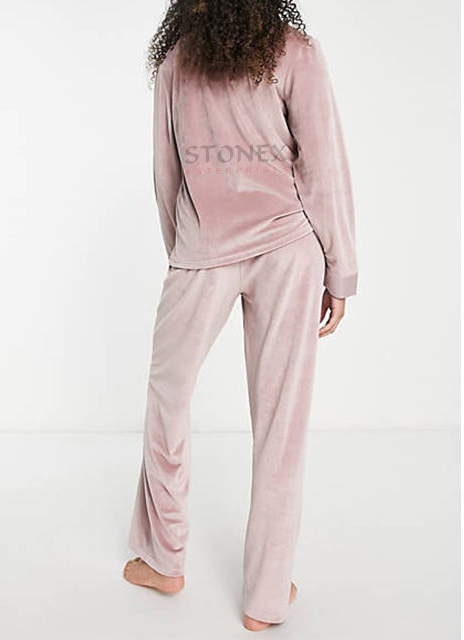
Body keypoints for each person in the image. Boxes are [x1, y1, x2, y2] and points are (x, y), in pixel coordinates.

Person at [123, 0, 357, 632]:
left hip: (212, 249)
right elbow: (323, 167)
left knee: (167, 397)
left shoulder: (177, 61)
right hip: (290, 249)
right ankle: (266, 597)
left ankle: (164, 556)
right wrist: (340, 269)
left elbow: (166, 175)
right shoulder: (294, 52)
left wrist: (184, 251)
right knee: (282, 423)